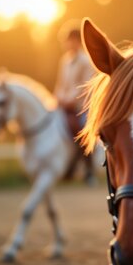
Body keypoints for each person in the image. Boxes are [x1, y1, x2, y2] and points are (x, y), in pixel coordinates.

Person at [54, 21, 97, 185]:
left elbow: (85, 85)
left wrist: (70, 100)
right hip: (64, 104)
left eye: (71, 40)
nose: (68, 44)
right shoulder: (65, 61)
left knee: (83, 131)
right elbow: (61, 84)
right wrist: (57, 98)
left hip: (80, 106)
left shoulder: (85, 61)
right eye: (67, 40)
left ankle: (89, 170)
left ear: (79, 41)